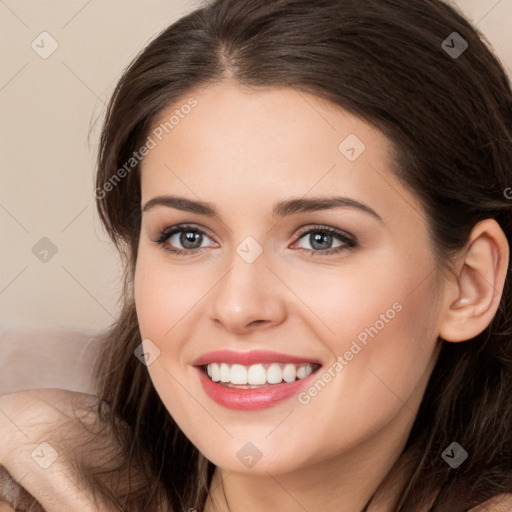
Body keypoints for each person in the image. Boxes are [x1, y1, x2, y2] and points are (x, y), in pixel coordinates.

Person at [1, 0, 512, 510]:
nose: (239, 306)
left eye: (320, 238)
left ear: (469, 283)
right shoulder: (33, 479)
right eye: (188, 236)